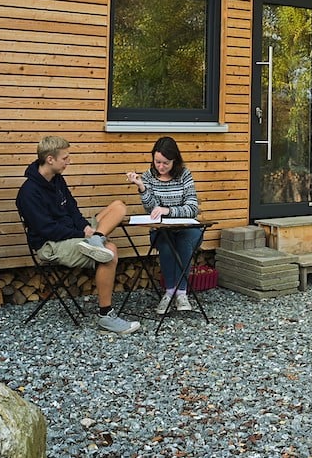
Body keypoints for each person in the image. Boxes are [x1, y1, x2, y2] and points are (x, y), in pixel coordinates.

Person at [17, 136, 141, 335]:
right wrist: (79, 232)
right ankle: (106, 316)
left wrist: (86, 228)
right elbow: (47, 229)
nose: (69, 161)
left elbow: (72, 209)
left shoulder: (57, 180)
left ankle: (96, 239)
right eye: (65, 158)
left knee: (118, 206)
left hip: (75, 232)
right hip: (51, 244)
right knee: (109, 252)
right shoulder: (28, 193)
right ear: (50, 159)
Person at [125, 136, 202, 315]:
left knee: (184, 242)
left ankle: (181, 293)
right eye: (157, 162)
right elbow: (151, 209)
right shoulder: (149, 176)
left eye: (165, 163)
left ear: (175, 161)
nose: (160, 167)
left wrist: (168, 210)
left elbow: (192, 208)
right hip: (161, 230)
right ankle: (169, 291)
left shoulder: (184, 174)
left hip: (187, 228)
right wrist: (142, 188)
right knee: (166, 245)